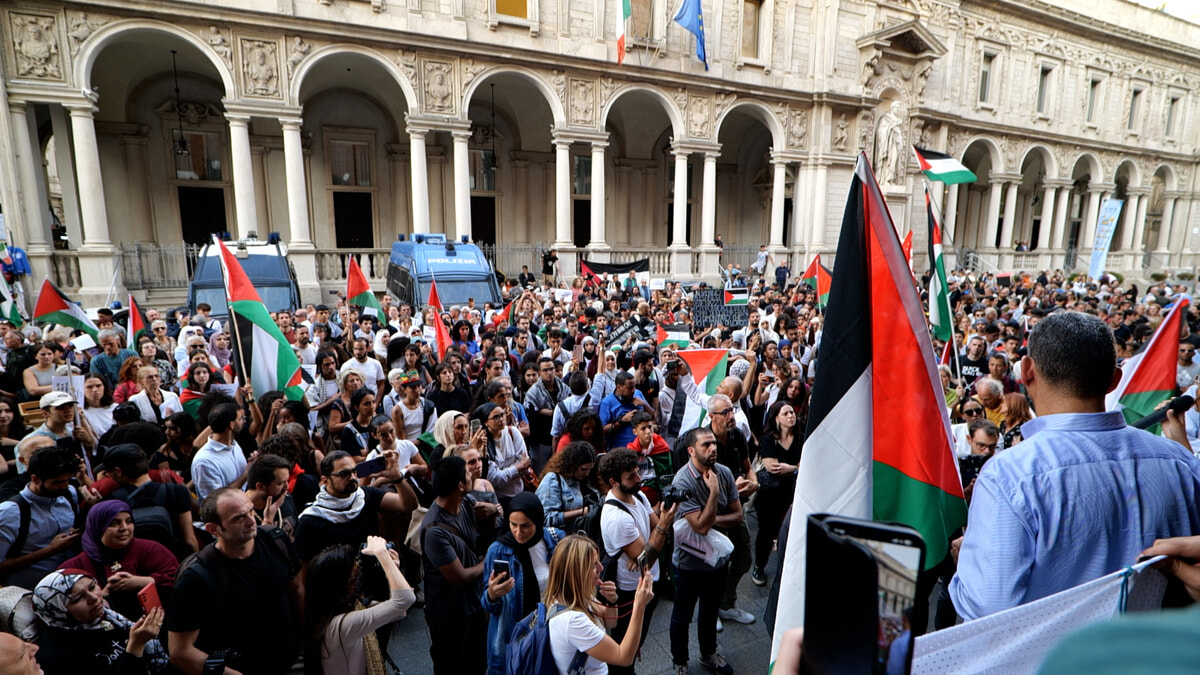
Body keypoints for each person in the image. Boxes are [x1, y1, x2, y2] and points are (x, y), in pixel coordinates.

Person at [950, 311, 1200, 621]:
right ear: (1114, 380)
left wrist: (969, 562)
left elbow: (988, 607)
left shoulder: (1009, 476)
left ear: (1026, 370)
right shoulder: (1181, 463)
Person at [166, 488, 301, 675]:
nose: (251, 521)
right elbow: (180, 652)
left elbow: (296, 590)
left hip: (291, 662)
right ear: (214, 529)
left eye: (251, 511)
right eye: (238, 518)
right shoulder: (196, 578)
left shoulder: (276, 541)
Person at [598, 448, 678, 675]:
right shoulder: (617, 518)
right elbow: (649, 554)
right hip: (630, 593)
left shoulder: (637, 495)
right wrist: (663, 525)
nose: (639, 479)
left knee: (637, 641)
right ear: (613, 482)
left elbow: (653, 531)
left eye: (637, 472)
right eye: (631, 476)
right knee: (624, 652)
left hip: (645, 586)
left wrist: (649, 546)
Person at [670, 427, 740, 675]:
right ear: (691, 451)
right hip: (689, 563)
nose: (713, 449)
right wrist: (714, 494)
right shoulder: (683, 480)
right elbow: (699, 527)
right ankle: (680, 662)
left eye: (714, 444)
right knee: (682, 615)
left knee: (710, 611)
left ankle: (708, 655)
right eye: (705, 445)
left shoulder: (724, 472)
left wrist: (712, 520)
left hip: (717, 561)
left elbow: (738, 515)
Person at [543, 533, 656, 675]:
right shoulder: (573, 622)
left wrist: (612, 601)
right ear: (577, 572)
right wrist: (640, 605)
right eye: (593, 565)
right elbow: (624, 657)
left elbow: (611, 623)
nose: (601, 568)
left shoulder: (574, 594)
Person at [304, 536, 416, 675]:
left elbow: (400, 611)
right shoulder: (341, 626)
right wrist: (383, 556)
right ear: (337, 588)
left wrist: (392, 569)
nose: (358, 582)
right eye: (353, 580)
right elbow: (405, 599)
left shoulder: (342, 610)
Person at [480, 492, 565, 674]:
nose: (519, 532)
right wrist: (492, 595)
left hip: (549, 632)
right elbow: (488, 605)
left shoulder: (556, 540)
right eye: (513, 525)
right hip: (512, 639)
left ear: (538, 520)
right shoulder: (498, 550)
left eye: (526, 526)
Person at [422, 455, 487, 675]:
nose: (472, 474)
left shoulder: (466, 503)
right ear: (460, 486)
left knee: (478, 663)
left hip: (475, 605)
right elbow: (460, 577)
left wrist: (494, 510)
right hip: (449, 616)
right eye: (468, 473)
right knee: (451, 667)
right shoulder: (435, 531)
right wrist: (485, 563)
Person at [60, 499, 178, 620]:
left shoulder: (150, 550)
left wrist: (144, 581)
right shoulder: (74, 567)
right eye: (114, 523)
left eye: (129, 521)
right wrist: (99, 595)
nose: (124, 528)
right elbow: (59, 605)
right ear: (97, 526)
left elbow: (178, 583)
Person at [32, 569, 168, 674]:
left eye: (92, 587)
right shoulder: (54, 656)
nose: (94, 598)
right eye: (78, 598)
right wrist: (136, 646)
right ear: (57, 611)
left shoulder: (109, 613)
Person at [0, 445, 99, 589]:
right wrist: (50, 550)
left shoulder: (68, 494)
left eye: (67, 480)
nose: (65, 486)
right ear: (35, 479)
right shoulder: (11, 512)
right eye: (57, 482)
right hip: (30, 589)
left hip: (74, 585)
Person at [293, 450, 416, 564]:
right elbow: (303, 569)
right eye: (344, 474)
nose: (352, 477)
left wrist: (397, 477)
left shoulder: (367, 495)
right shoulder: (310, 520)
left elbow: (408, 505)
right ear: (325, 480)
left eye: (354, 471)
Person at [105, 444, 199, 556]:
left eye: (109, 473)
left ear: (118, 471)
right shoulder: (176, 491)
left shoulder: (110, 501)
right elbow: (189, 540)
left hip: (133, 567)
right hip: (171, 561)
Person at [752, 400, 802, 587]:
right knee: (766, 532)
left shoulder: (801, 438)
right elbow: (772, 467)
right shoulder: (769, 439)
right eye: (785, 413)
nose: (791, 416)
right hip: (770, 495)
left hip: (792, 492)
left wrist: (791, 468)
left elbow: (807, 463)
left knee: (789, 531)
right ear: (776, 419)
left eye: (792, 412)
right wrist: (797, 467)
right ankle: (759, 566)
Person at [475, 402, 531, 511]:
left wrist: (504, 472)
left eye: (502, 415)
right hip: (498, 498)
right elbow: (495, 479)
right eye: (496, 417)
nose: (501, 419)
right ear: (486, 422)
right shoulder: (483, 443)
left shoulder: (512, 432)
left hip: (518, 491)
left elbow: (525, 461)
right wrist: (517, 467)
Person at [536, 441, 599, 532]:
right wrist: (581, 512)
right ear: (572, 465)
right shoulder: (554, 479)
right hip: (565, 537)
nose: (587, 473)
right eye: (583, 469)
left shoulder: (591, 479)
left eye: (590, 469)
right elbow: (546, 519)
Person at [190, 403, 246, 501]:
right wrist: (246, 475)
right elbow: (217, 500)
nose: (244, 421)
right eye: (240, 419)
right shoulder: (204, 461)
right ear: (231, 425)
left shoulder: (233, 443)